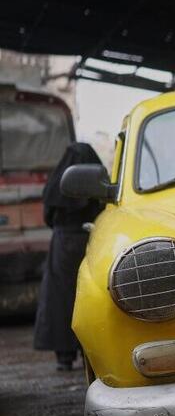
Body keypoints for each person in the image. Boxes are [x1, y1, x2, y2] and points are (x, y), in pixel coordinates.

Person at [34, 143, 105, 371]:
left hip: (63, 246)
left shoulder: (58, 185)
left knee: (60, 300)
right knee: (89, 295)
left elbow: (48, 215)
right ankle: (90, 353)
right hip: (89, 242)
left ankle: (64, 356)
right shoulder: (97, 183)